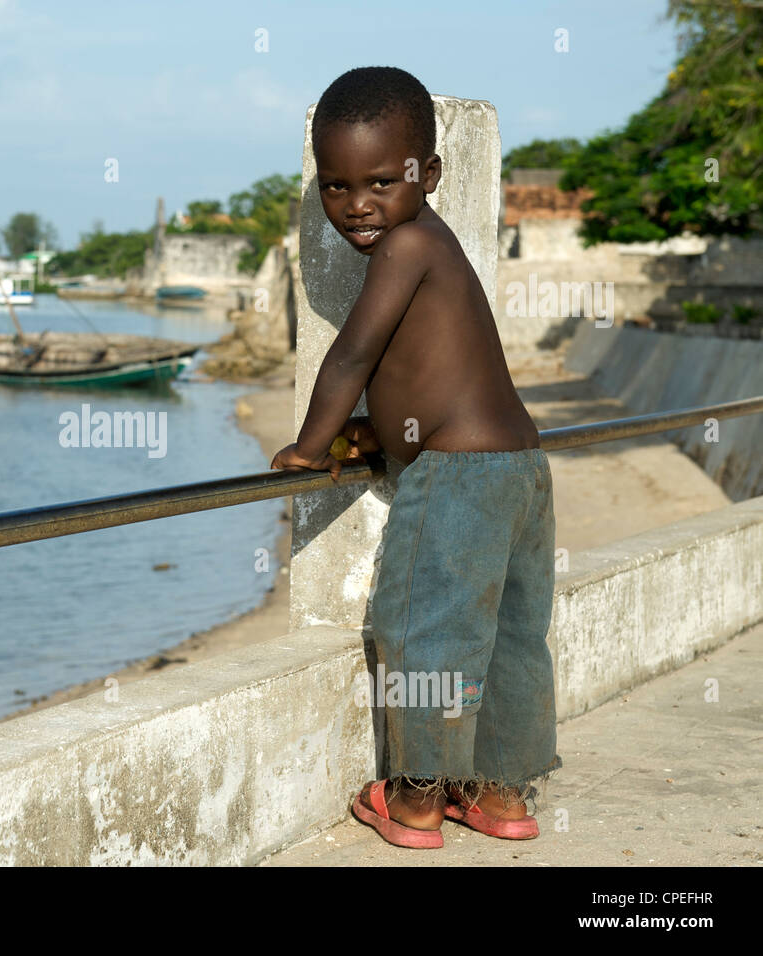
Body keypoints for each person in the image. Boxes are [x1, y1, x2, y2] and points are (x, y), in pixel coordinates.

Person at [270, 66, 560, 848]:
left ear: (427, 174)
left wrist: (307, 446)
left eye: (378, 181)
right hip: (520, 469)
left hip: (460, 476)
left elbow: (352, 356)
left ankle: (419, 797)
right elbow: (429, 376)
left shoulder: (404, 247)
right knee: (510, 636)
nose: (357, 205)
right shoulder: (436, 247)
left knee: (425, 631)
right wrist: (373, 433)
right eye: (334, 186)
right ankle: (501, 795)